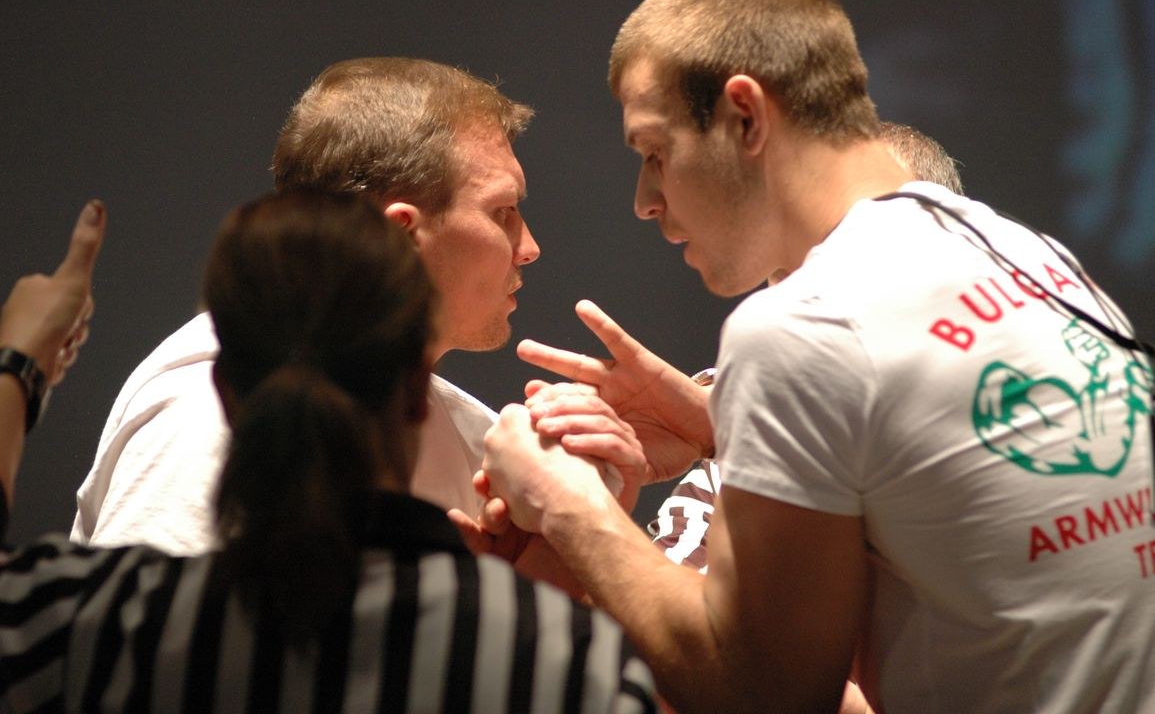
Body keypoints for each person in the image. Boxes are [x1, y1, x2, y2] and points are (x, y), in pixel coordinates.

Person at [473, 0, 1155, 713]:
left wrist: (567, 504)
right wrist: (719, 428)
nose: (646, 200)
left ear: (744, 116)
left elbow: (761, 695)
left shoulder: (806, 324)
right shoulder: (1030, 256)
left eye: (655, 153)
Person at [1, 195, 656, 712]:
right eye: (504, 210)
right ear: (420, 397)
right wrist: (537, 595)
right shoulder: (568, 662)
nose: (529, 245)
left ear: (225, 392)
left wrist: (18, 364)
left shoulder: (102, 623)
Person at [72, 57, 541, 555]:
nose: (529, 247)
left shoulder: (480, 442)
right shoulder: (205, 421)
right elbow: (156, 607)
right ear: (401, 235)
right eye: (503, 212)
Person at [651, 121, 964, 571]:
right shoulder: (744, 409)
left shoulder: (987, 389)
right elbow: (679, 588)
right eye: (787, 264)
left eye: (843, 241)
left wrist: (582, 512)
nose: (804, 282)